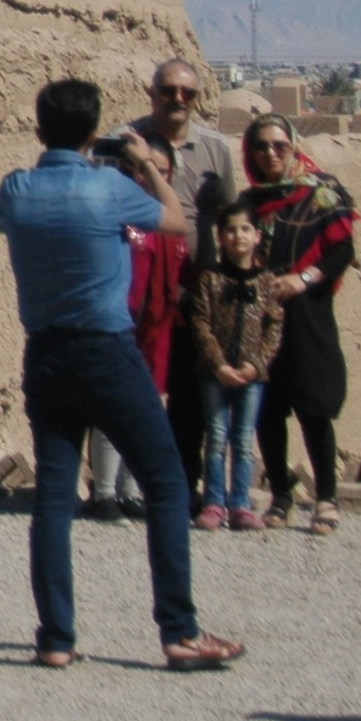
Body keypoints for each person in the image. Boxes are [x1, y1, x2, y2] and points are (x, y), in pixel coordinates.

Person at [0, 78, 242, 671]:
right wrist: (149, 168)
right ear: (96, 134)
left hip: (45, 354)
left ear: (37, 130)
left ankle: (55, 638)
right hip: (106, 350)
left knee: (55, 495)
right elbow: (177, 222)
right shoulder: (108, 188)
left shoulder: (18, 190)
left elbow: (3, 222)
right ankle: (178, 631)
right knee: (166, 479)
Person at [128, 59, 242, 499]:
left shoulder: (215, 150)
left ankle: (186, 485)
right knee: (139, 390)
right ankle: (133, 486)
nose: (178, 99)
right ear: (151, 91)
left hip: (197, 293)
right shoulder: (128, 142)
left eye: (187, 93)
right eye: (169, 90)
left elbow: (231, 217)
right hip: (141, 293)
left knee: (192, 396)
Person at [242, 115, 355, 534]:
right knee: (268, 410)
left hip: (308, 316)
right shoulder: (250, 203)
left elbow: (342, 250)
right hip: (261, 320)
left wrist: (302, 279)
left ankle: (326, 497)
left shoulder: (323, 194)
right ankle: (281, 497)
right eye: (260, 147)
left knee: (314, 408)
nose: (270, 154)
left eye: (278, 145)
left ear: (292, 146)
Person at [82, 134, 186, 521]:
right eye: (144, 170)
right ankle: (104, 491)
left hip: (156, 332)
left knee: (147, 412)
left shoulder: (166, 224)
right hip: (121, 325)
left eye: (160, 172)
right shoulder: (121, 215)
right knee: (111, 412)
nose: (150, 178)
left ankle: (130, 490)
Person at [183, 201, 283, 529]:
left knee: (242, 438)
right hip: (215, 374)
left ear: (257, 235)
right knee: (216, 435)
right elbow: (200, 324)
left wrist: (256, 364)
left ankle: (241, 502)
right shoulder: (211, 280)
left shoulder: (267, 282)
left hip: (252, 376)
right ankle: (214, 502)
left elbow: (273, 328)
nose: (237, 236)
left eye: (244, 229)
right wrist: (218, 365)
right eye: (230, 229)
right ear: (220, 237)